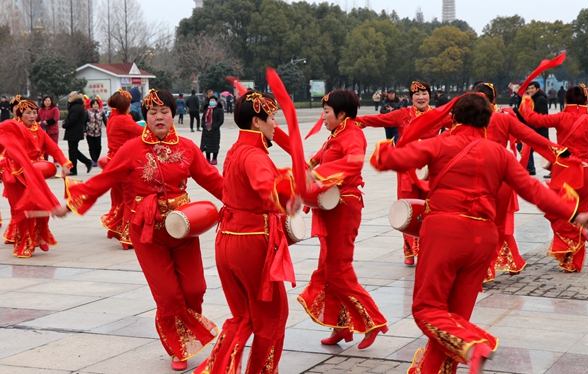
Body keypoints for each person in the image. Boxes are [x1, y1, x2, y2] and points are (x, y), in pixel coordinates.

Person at [370, 92, 588, 374]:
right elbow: (534, 189)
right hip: (483, 239)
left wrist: (382, 151)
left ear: (453, 118)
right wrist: (574, 214)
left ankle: (474, 343)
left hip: (446, 234)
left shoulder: (440, 143)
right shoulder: (500, 153)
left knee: (427, 309)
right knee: (454, 318)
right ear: (488, 120)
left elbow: (390, 161)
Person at [56, 89, 223, 371]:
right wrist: (72, 203)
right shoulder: (132, 150)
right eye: (152, 112)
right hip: (148, 232)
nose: (159, 117)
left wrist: (247, 202)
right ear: (145, 117)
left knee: (195, 289)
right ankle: (178, 347)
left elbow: (214, 181)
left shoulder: (187, 148)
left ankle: (189, 334)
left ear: (173, 114)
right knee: (168, 295)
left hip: (183, 229)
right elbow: (106, 178)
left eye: (164, 111)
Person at [195, 90, 298, 374]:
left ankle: (215, 370)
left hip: (227, 240)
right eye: (272, 118)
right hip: (251, 244)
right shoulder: (254, 155)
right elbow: (268, 188)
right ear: (256, 121)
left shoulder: (236, 150)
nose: (275, 124)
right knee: (272, 316)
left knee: (243, 317)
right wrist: (291, 197)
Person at [298, 89, 388, 349]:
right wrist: (303, 169)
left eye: (326, 112)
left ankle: (373, 320)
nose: (322, 117)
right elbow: (315, 160)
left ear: (342, 113)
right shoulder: (336, 135)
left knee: (339, 270)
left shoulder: (353, 135)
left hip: (344, 207)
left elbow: (354, 162)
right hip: (331, 207)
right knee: (328, 269)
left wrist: (318, 175)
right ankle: (340, 326)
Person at [474, 82, 566, 281]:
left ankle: (486, 268)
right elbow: (528, 138)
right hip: (503, 177)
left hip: (482, 178)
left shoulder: (468, 120)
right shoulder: (504, 117)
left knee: (483, 224)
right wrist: (518, 164)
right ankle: (512, 260)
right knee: (497, 224)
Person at [356, 80, 452, 266]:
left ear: (429, 96)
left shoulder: (438, 115)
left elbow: (459, 124)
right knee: (407, 208)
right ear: (411, 97)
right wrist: (353, 120)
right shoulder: (402, 115)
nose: (421, 97)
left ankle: (427, 247)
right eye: (416, 94)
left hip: (430, 171)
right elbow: (377, 120)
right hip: (407, 171)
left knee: (429, 208)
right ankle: (409, 249)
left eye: (424, 93)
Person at [519, 84, 588, 273]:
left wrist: (526, 99)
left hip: (565, 171)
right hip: (587, 172)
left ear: (565, 100)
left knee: (559, 212)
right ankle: (572, 263)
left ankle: (573, 239)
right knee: (581, 214)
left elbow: (533, 119)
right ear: (586, 101)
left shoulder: (561, 117)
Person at [1, 99, 71, 258]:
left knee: (43, 207)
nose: (32, 116)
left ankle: (39, 236)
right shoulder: (12, 128)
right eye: (28, 113)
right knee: (22, 210)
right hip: (15, 174)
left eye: (34, 113)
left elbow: (53, 148)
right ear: (20, 114)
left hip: (35, 173)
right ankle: (24, 243)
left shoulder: (38, 130)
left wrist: (64, 163)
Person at [103, 89, 144, 249]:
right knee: (129, 199)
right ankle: (128, 237)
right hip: (123, 163)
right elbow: (142, 132)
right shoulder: (123, 119)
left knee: (118, 198)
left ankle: (114, 230)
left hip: (112, 161)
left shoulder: (112, 118)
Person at [519, 81, 549, 176]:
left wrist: (532, 118)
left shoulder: (540, 99)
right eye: (529, 88)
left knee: (548, 152)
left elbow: (543, 115)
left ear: (537, 89)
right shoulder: (532, 99)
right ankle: (530, 168)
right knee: (523, 147)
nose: (530, 90)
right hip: (533, 129)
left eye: (532, 88)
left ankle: (557, 168)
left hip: (539, 130)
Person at [63, 91, 93, 176]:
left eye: (70, 96)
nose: (69, 98)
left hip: (74, 131)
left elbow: (73, 119)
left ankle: (75, 169)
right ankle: (87, 162)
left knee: (73, 151)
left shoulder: (75, 107)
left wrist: (65, 124)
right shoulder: (78, 105)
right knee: (74, 150)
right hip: (75, 131)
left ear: (74, 97)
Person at [200, 96, 224, 165]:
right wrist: (203, 125)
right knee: (206, 144)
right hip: (206, 130)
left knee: (214, 144)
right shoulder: (207, 109)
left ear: (216, 101)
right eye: (211, 100)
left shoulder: (219, 110)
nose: (212, 102)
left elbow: (221, 120)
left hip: (214, 130)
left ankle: (214, 158)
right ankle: (207, 158)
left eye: (213, 100)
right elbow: (203, 118)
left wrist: (214, 126)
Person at [36, 95, 60, 163]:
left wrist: (47, 122)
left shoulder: (55, 109)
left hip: (53, 131)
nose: (47, 102)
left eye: (48, 101)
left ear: (51, 101)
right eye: (45, 101)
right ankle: (45, 161)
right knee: (44, 147)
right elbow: (37, 119)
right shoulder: (41, 109)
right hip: (43, 131)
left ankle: (56, 161)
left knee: (54, 146)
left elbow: (56, 118)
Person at [86, 99, 107, 167]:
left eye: (96, 104)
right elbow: (83, 122)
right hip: (89, 133)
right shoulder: (87, 112)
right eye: (94, 104)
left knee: (98, 147)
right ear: (91, 105)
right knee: (91, 147)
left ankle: (96, 158)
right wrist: (84, 131)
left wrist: (109, 128)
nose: (95, 105)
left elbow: (106, 122)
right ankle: (94, 160)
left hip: (98, 133)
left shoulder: (101, 113)